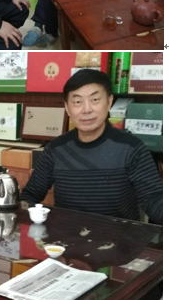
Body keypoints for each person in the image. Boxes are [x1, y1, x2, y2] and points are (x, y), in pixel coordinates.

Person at [21, 69, 162, 223]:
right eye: (77, 102)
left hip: (118, 236)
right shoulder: (56, 149)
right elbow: (30, 196)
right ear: (67, 108)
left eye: (95, 100)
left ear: (109, 102)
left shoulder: (131, 148)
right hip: (67, 235)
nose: (86, 109)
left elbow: (154, 199)